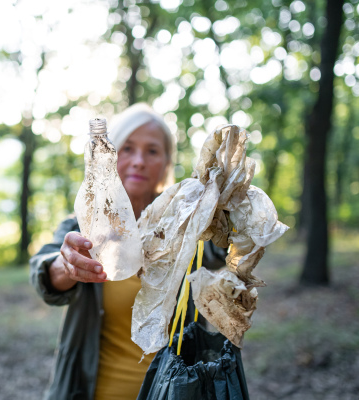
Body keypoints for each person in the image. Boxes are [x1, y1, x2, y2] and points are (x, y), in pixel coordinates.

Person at [29, 103, 226, 400]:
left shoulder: (187, 222)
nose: (138, 161)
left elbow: (219, 249)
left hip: (175, 392)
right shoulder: (84, 224)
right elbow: (45, 272)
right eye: (127, 148)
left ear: (166, 162)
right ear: (108, 155)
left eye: (152, 151)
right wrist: (66, 265)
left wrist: (223, 202)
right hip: (92, 391)